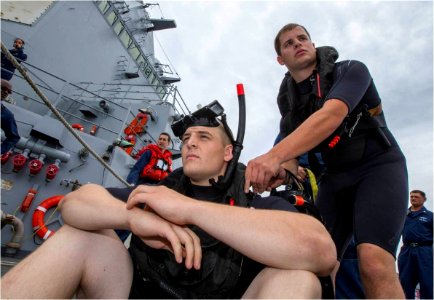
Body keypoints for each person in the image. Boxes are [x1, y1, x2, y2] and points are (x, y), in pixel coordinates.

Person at [2, 103, 336, 299]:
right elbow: (75, 203)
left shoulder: (253, 204)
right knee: (79, 237)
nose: (190, 144)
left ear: (228, 152)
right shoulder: (159, 192)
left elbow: (321, 251)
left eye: (203, 138)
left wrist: (190, 209)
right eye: (187, 138)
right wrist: (132, 218)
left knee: (298, 280)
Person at [244, 23, 408, 298]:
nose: (298, 44)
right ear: (280, 59)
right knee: (316, 261)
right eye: (288, 43)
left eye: (302, 38)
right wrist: (279, 172)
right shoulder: (289, 103)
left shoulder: (351, 70)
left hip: (378, 167)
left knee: (373, 261)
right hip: (334, 179)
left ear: (313, 43)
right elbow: (290, 160)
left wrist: (272, 157)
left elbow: (330, 117)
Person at [398, 190, 433, 299]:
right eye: (412, 196)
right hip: (407, 250)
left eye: (416, 197)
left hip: (424, 251)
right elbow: (395, 233)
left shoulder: (429, 216)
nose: (413, 198)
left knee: (426, 281)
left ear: (424, 199)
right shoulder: (404, 215)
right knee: (405, 281)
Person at [1, 79, 20, 155]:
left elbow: (13, 137)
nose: (6, 92)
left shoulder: (6, 115)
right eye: (3, 88)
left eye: (9, 92)